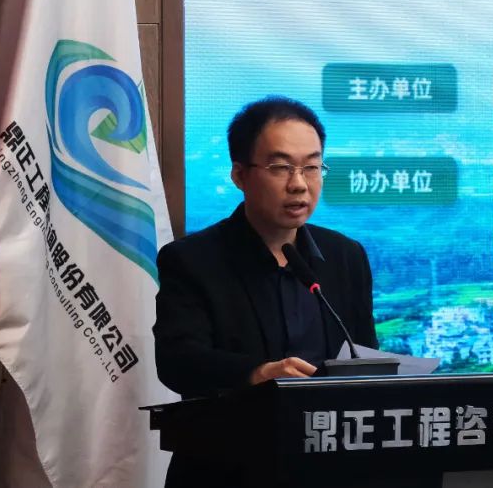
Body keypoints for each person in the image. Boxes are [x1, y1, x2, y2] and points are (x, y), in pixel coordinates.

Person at [152, 96, 381, 487]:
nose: (299, 184)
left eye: (312, 167)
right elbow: (177, 361)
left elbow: (363, 353)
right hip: (227, 469)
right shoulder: (192, 260)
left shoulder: (345, 256)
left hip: (328, 467)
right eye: (280, 168)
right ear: (240, 175)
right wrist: (257, 373)